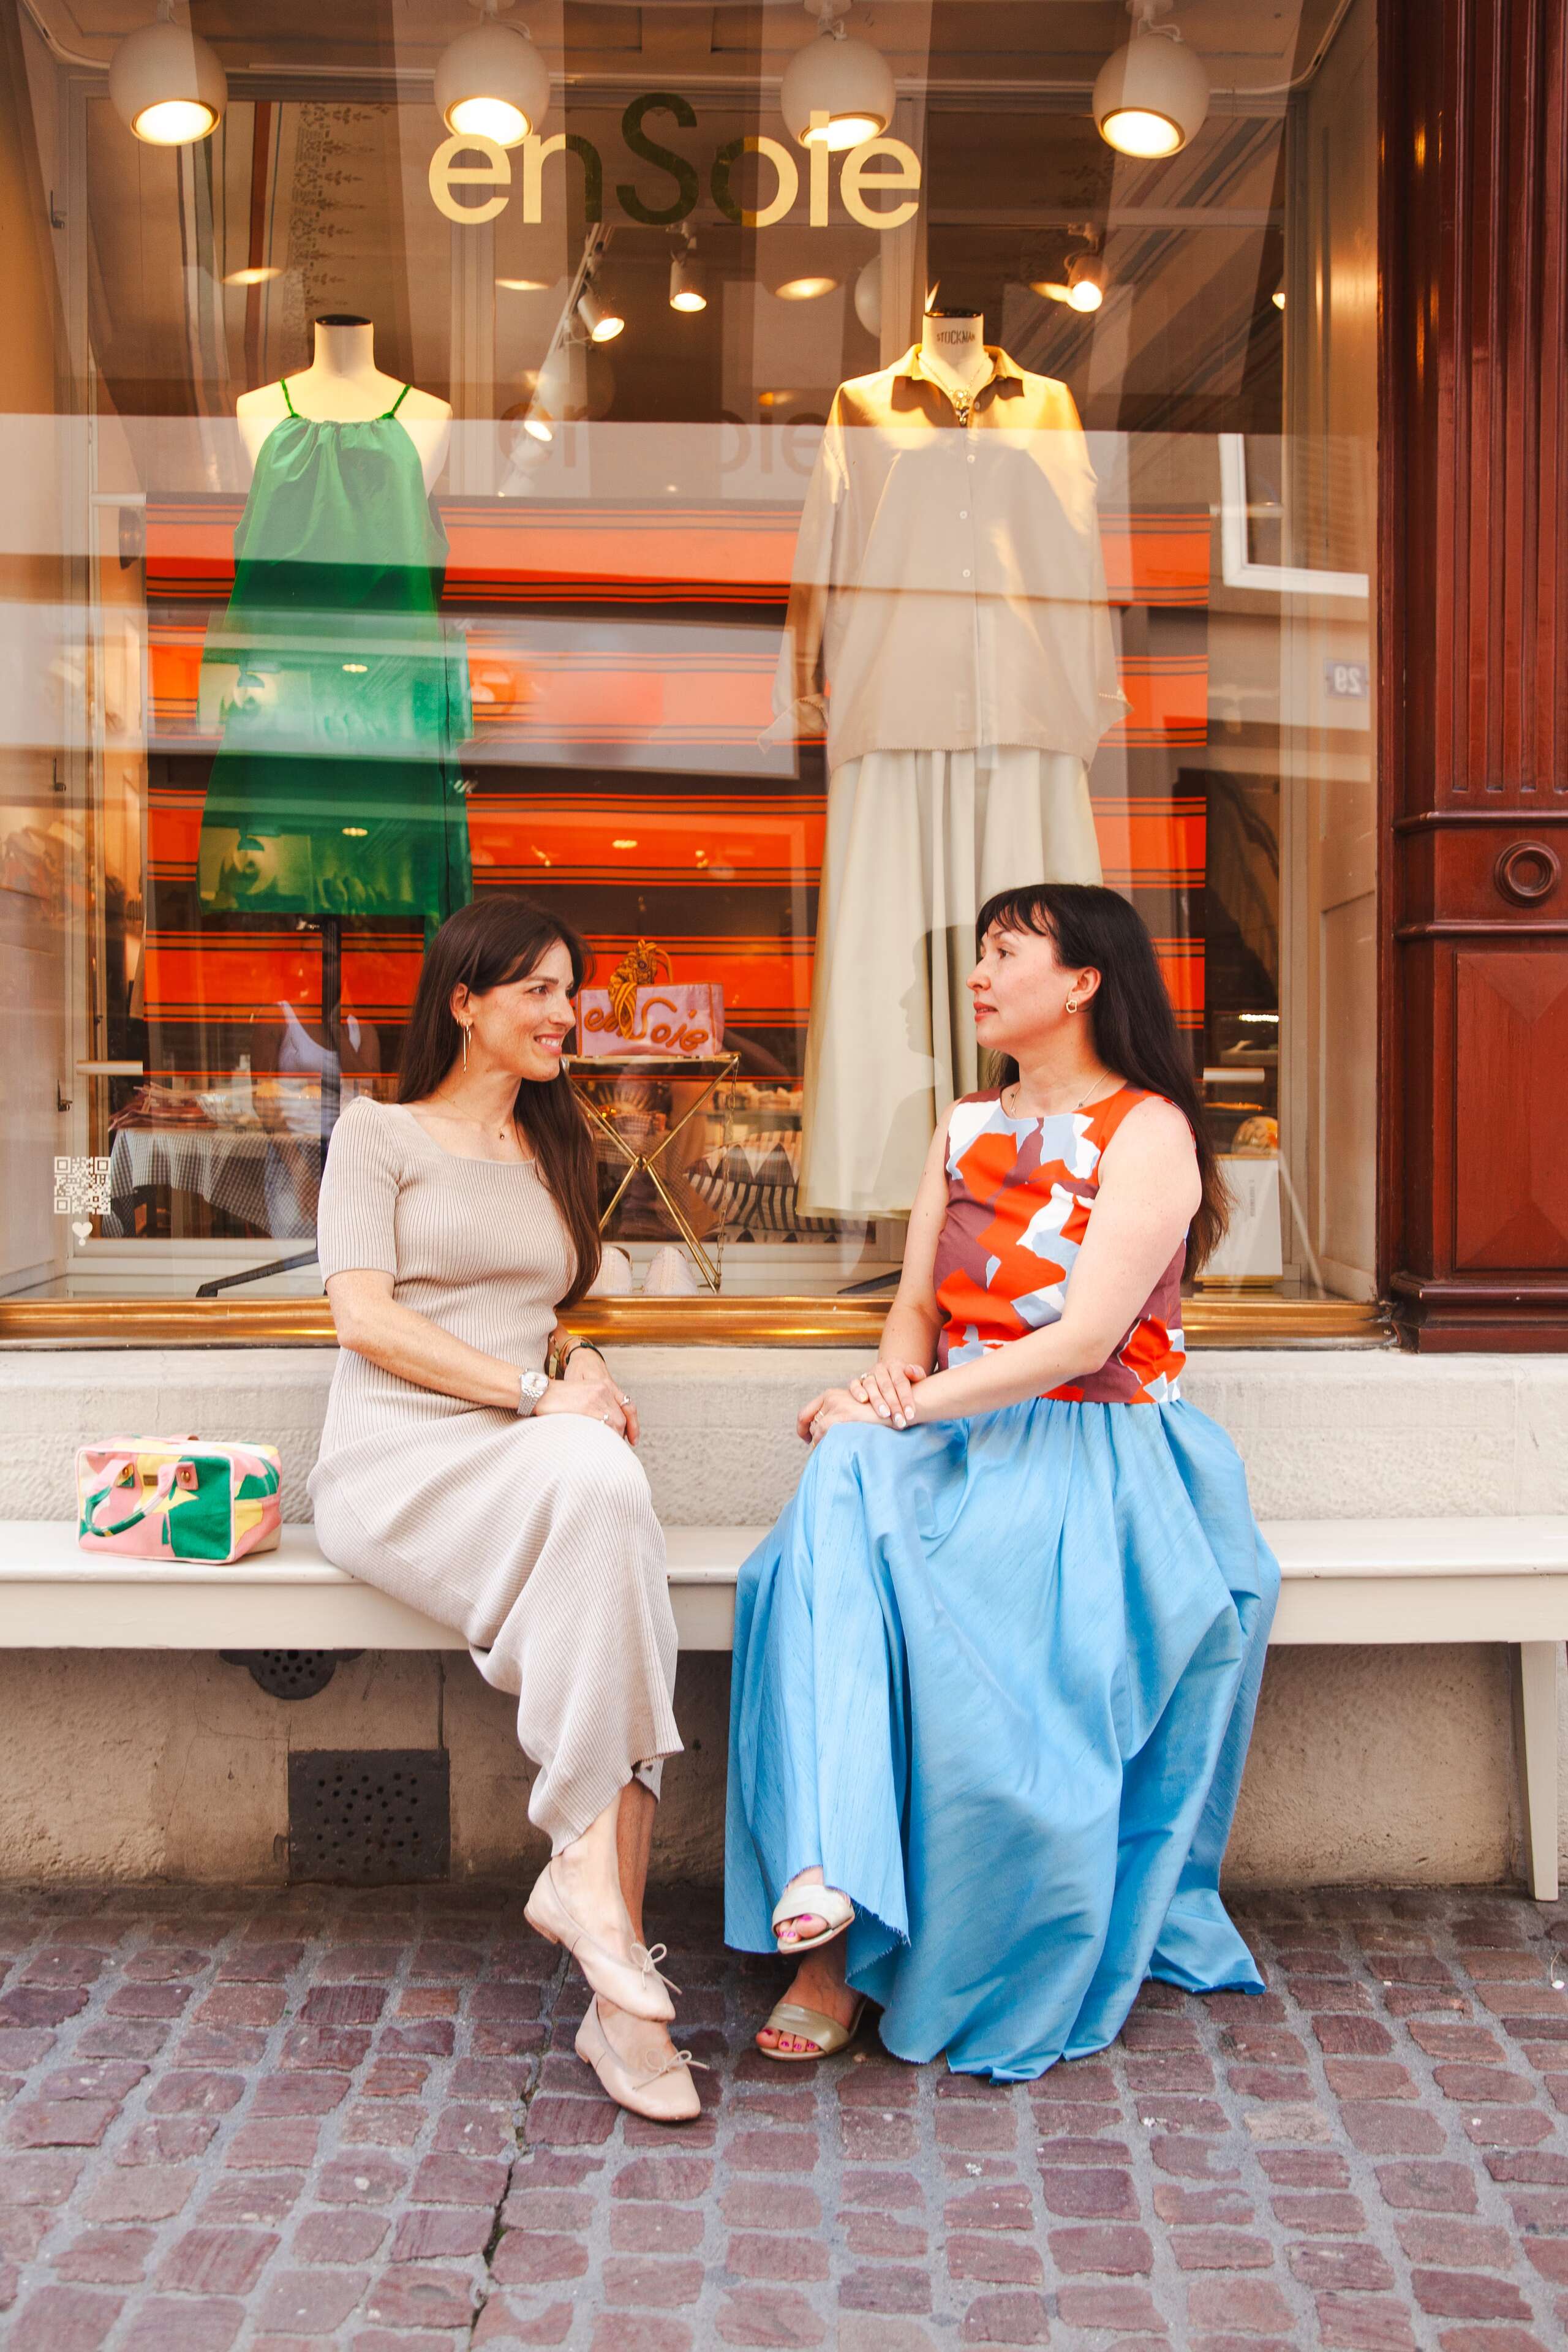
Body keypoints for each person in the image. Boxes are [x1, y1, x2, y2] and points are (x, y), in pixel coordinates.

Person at [725, 881, 1280, 2080]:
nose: (978, 974)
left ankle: (833, 1933)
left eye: (1004, 952)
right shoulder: (963, 1125)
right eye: (978, 952)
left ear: (1082, 981)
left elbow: (1081, 1343)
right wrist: (882, 1397)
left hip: (1091, 1452)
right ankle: (825, 1886)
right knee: (821, 1518)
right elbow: (914, 1311)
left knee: (855, 1517)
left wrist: (899, 1410)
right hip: (953, 1438)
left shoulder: (1149, 1131)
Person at [311, 894, 701, 2123]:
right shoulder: (377, 1135)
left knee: (612, 1541)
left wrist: (576, 1363)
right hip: (399, 1465)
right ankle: (613, 1964)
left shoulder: (556, 1144)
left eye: (568, 989)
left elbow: (544, 1303)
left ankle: (606, 1950)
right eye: (533, 988)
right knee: (607, 1509)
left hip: (529, 1454)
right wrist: (537, 1394)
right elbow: (365, 1319)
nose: (562, 1012)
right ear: (463, 1001)